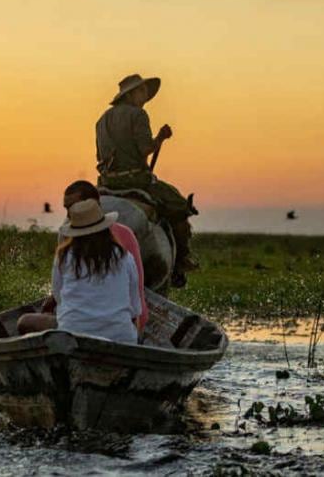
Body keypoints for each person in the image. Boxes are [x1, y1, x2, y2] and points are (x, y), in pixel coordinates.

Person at [95, 73, 197, 287]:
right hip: (135, 181)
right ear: (130, 94)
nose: (146, 95)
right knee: (179, 204)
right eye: (142, 91)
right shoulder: (138, 115)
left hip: (106, 183)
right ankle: (181, 261)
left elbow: (99, 156)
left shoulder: (102, 120)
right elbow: (145, 149)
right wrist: (161, 137)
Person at [17, 181, 149, 334]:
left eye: (72, 208)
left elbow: (61, 299)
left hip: (73, 332)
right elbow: (135, 308)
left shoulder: (64, 254)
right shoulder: (125, 257)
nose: (69, 214)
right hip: (121, 336)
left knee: (24, 321)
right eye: (67, 209)